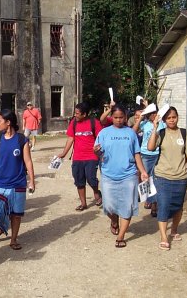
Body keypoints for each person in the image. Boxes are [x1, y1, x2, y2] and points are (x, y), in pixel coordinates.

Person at [94, 104, 148, 248]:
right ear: (112, 117)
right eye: (116, 117)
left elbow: (137, 153)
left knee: (127, 206)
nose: (118, 120)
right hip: (108, 174)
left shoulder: (131, 133)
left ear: (125, 117)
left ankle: (121, 236)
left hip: (128, 175)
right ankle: (114, 220)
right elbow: (98, 153)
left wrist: (142, 171)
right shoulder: (104, 133)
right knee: (109, 206)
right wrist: (97, 151)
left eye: (121, 117)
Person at [147, 107, 187, 251]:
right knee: (163, 205)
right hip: (162, 175)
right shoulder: (161, 133)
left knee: (178, 206)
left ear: (177, 117)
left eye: (174, 117)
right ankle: (163, 237)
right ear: (164, 120)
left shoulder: (185, 133)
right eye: (168, 118)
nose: (172, 120)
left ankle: (174, 229)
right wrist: (154, 128)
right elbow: (150, 148)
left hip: (181, 176)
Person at [0, 109, 35, 250]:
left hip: (17, 183)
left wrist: (31, 180)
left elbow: (28, 161)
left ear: (8, 123)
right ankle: (0, 228)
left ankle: (13, 239)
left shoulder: (21, 140)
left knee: (16, 214)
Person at [57, 101, 103, 211]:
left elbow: (101, 138)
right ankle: (83, 203)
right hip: (77, 157)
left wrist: (99, 150)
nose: (75, 115)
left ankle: (97, 192)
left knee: (91, 179)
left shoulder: (94, 123)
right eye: (75, 113)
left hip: (91, 157)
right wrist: (64, 153)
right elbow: (70, 139)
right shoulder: (74, 123)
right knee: (79, 180)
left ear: (84, 114)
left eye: (78, 113)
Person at [132, 104, 166, 217]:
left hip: (158, 155)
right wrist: (141, 117)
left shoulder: (162, 124)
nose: (154, 115)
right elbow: (133, 132)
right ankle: (147, 198)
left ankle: (154, 204)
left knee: (155, 180)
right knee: (145, 179)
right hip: (145, 155)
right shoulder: (145, 124)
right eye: (151, 114)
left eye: (155, 113)